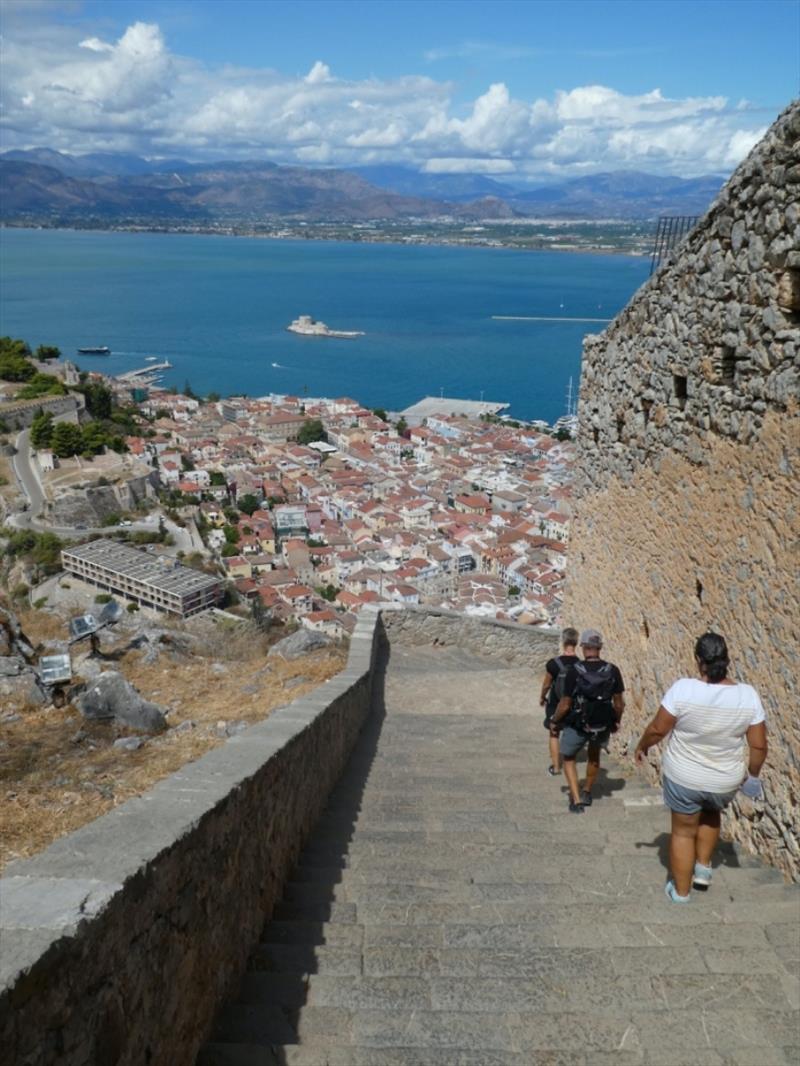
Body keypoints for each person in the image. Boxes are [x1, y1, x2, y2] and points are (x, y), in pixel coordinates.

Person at [635, 632, 767, 902]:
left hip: (684, 776)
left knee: (683, 832)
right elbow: (759, 746)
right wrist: (752, 775)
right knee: (710, 813)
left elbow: (659, 729)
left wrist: (642, 746)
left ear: (698, 660)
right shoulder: (748, 695)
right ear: (727, 659)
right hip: (724, 781)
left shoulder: (684, 689)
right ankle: (703, 869)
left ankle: (681, 892)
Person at [550, 629, 625, 813]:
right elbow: (619, 703)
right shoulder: (612, 670)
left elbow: (565, 703)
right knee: (594, 755)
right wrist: (616, 721)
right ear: (600, 647)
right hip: (601, 723)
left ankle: (575, 800)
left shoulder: (574, 671)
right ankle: (587, 791)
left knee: (568, 758)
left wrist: (555, 720)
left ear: (583, 647)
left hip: (578, 723)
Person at [539, 626, 580, 776]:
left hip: (555, 703)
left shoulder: (553, 664)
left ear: (563, 642)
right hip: (572, 704)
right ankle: (571, 764)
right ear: (576, 643)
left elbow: (547, 684)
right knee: (570, 731)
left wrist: (542, 697)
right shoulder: (580, 665)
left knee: (554, 732)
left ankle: (556, 768)